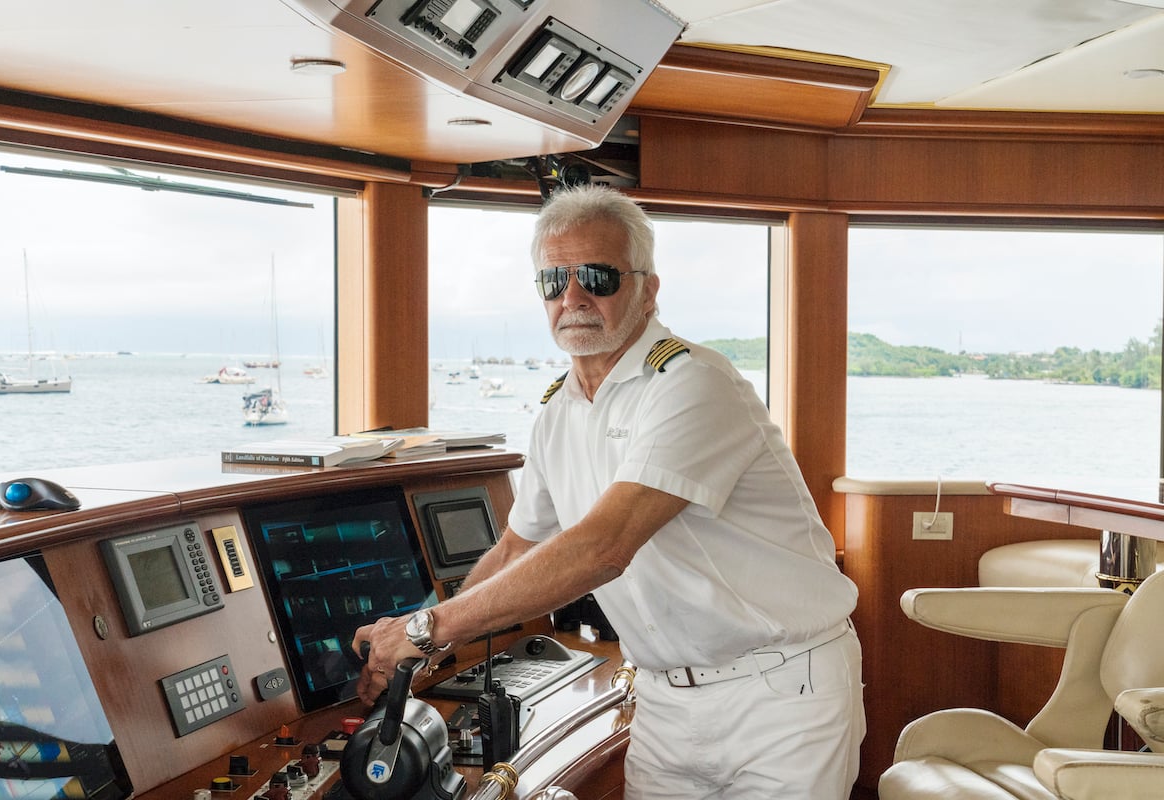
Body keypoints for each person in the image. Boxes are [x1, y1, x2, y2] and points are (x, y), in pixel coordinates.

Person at [353, 183, 865, 799]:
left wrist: (422, 630)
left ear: (647, 289)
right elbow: (518, 548)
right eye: (553, 280)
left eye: (597, 276)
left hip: (779, 693)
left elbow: (604, 546)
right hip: (663, 702)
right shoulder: (556, 413)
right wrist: (425, 645)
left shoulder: (693, 384)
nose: (573, 297)